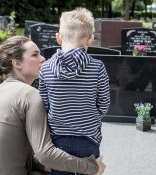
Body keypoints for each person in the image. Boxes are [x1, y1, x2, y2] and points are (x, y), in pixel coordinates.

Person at [0, 36, 105, 175]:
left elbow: (13, 150)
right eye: (35, 54)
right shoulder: (30, 95)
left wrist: (43, 166)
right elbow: (46, 154)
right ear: (17, 63)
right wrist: (92, 167)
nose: (42, 58)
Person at [38, 8, 110, 175]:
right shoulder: (97, 67)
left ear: (58, 37)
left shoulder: (46, 68)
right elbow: (104, 103)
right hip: (88, 138)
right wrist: (90, 117)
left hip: (58, 141)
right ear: (90, 39)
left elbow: (44, 105)